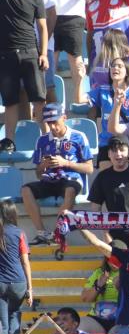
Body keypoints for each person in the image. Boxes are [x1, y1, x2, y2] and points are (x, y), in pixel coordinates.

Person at [34, 0, 96, 106]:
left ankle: (78, 96)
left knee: (75, 58)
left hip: (73, 14)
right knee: (47, 57)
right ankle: (46, 98)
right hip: (48, 14)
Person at [22, 104, 94, 245]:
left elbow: (90, 168)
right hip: (49, 181)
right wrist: (43, 166)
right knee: (25, 190)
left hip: (71, 179)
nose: (53, 127)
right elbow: (38, 174)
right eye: (49, 123)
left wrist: (65, 163)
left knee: (70, 190)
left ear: (64, 118)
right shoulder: (42, 140)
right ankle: (42, 233)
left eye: (55, 122)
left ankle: (58, 233)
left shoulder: (79, 137)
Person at [0, 0, 48, 152]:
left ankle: (48, 139)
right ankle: (9, 141)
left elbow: (43, 28)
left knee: (38, 99)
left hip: (30, 53)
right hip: (6, 55)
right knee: (10, 101)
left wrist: (43, 53)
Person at [88, 57, 129, 171]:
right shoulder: (103, 90)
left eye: (120, 66)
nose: (115, 68)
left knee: (126, 181)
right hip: (106, 142)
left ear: (127, 72)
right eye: (113, 66)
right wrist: (79, 79)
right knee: (106, 181)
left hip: (128, 143)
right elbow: (79, 99)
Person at [0, 201, 32, 334]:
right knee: (15, 314)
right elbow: (25, 262)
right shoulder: (20, 233)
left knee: (3, 323)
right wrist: (30, 289)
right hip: (18, 282)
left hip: (1, 282)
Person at [79, 245, 124, 334]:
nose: (113, 264)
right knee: (79, 326)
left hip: (120, 318)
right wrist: (98, 285)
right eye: (111, 259)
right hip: (97, 317)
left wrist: (120, 286)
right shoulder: (99, 272)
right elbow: (85, 298)